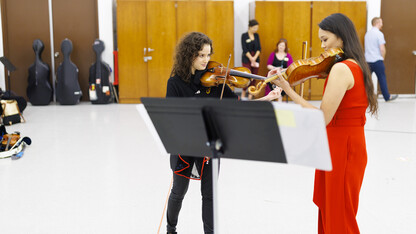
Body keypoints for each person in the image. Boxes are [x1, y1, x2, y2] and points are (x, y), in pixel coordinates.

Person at [270, 13, 378, 233]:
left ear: (341, 37)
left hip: (341, 148)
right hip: (348, 145)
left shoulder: (341, 69)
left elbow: (322, 118)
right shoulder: (356, 64)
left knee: (339, 216)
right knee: (338, 211)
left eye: (325, 39)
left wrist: (289, 90)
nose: (322, 46)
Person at [165, 32, 280, 234]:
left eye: (208, 55)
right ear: (188, 55)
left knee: (209, 195)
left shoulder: (217, 83)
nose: (206, 60)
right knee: (178, 191)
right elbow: (172, 119)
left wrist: (267, 97)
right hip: (185, 144)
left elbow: (239, 107)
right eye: (200, 55)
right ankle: (171, 228)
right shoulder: (175, 83)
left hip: (210, 144)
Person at [365, 17, 398, 102]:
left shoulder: (367, 34)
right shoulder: (379, 34)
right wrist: (382, 59)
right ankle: (387, 97)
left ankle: (365, 97)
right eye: (381, 22)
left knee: (367, 80)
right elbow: (382, 49)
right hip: (377, 60)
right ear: (377, 23)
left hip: (367, 61)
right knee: (382, 78)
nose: (382, 24)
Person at [241, 19, 261, 99]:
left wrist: (254, 58)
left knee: (254, 76)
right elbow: (244, 49)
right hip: (247, 58)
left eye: (257, 28)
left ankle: (250, 94)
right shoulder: (244, 36)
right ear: (250, 27)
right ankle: (243, 93)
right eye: (254, 28)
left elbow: (259, 48)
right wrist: (251, 58)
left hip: (255, 58)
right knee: (247, 76)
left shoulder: (256, 35)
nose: (256, 30)